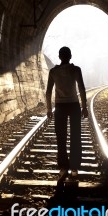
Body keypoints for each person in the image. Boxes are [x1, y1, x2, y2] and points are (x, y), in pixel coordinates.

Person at [45, 46, 89, 182]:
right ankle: (74, 168)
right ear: (70, 56)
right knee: (75, 137)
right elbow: (81, 88)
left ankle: (63, 168)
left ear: (59, 57)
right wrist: (84, 107)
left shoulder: (53, 72)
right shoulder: (76, 70)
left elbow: (48, 92)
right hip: (74, 106)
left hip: (60, 107)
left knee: (61, 138)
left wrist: (48, 109)